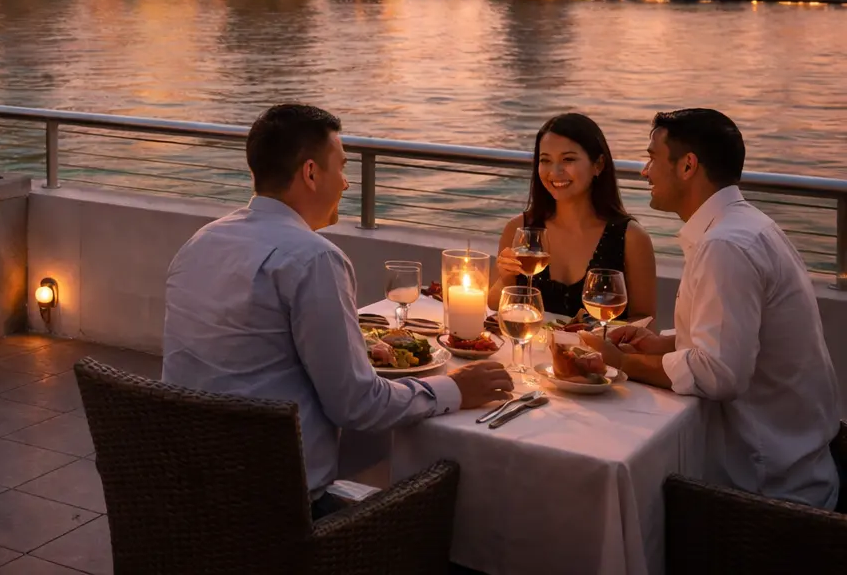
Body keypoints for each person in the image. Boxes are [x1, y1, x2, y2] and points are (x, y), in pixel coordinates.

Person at [162, 103, 514, 518]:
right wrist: (457, 388)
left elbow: (248, 352)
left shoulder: (201, 241)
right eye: (343, 168)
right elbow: (357, 405)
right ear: (311, 173)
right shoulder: (313, 258)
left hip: (187, 484)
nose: (347, 184)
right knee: (447, 506)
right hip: (276, 509)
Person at [580, 108, 840, 510]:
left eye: (651, 158)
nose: (644, 171)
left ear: (687, 166)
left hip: (764, 488)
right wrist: (660, 343)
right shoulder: (745, 227)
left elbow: (720, 375)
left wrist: (620, 363)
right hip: (794, 460)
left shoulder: (726, 247)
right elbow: (733, 342)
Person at [489, 113, 657, 320]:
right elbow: (495, 305)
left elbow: (645, 322)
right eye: (545, 160)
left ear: (598, 165)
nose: (555, 171)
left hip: (600, 352)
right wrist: (506, 278)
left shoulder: (631, 237)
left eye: (568, 159)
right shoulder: (520, 229)